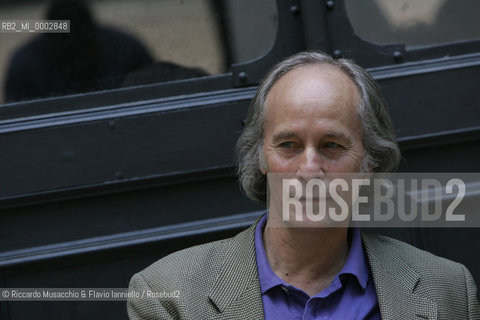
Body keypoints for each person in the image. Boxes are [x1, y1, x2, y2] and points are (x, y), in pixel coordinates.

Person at [127, 51, 480, 319]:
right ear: (261, 157)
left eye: (332, 145)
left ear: (369, 162)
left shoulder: (448, 289)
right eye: (288, 145)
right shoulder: (168, 294)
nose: (309, 169)